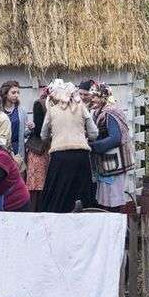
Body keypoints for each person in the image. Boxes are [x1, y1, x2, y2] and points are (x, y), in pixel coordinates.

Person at [38, 79, 97, 213]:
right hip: (81, 155)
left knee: (57, 193)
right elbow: (94, 133)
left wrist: (55, 137)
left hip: (60, 156)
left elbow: (43, 135)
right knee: (82, 193)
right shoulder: (81, 107)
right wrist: (82, 135)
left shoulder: (52, 110)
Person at [88, 82, 134, 211]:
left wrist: (93, 146)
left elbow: (115, 138)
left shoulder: (110, 113)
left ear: (103, 97)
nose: (93, 99)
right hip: (107, 164)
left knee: (112, 201)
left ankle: (116, 228)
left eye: (95, 96)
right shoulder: (101, 112)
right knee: (106, 200)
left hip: (114, 163)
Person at [24, 85, 50, 211]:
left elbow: (39, 130)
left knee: (35, 185)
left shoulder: (39, 103)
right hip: (49, 148)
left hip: (39, 150)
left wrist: (32, 128)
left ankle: (34, 211)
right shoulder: (61, 105)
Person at [0, 80, 29, 156]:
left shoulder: (21, 111)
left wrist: (30, 128)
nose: (16, 95)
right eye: (13, 93)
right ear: (5, 94)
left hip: (17, 149)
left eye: (18, 92)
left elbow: (24, 133)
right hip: (1, 148)